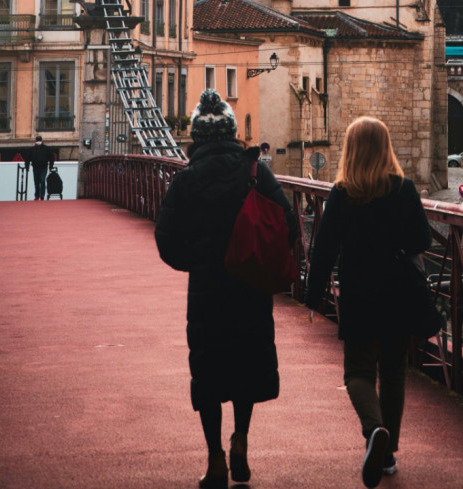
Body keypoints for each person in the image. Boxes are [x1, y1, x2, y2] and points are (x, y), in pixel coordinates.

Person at [154, 89, 298, 489]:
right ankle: (241, 441)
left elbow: (165, 239)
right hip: (250, 286)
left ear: (196, 137)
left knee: (209, 371)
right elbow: (289, 224)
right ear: (233, 133)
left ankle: (215, 459)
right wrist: (260, 258)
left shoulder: (186, 179)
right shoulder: (255, 172)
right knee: (246, 366)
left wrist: (195, 262)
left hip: (207, 291)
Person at [304, 116, 432, 488]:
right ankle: (387, 454)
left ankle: (374, 428)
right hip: (399, 290)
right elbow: (422, 240)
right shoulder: (404, 189)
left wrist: (313, 296)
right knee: (393, 372)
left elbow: (324, 249)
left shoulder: (343, 193)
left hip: (359, 290)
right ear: (385, 147)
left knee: (358, 372)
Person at [25, 135, 55, 200]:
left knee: (42, 180)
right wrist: (27, 166)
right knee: (36, 182)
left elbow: (51, 157)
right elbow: (27, 158)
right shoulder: (32, 149)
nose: (38, 142)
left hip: (43, 167)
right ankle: (37, 195)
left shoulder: (46, 148)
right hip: (35, 167)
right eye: (37, 141)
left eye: (39, 141)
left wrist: (51, 166)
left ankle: (42, 195)